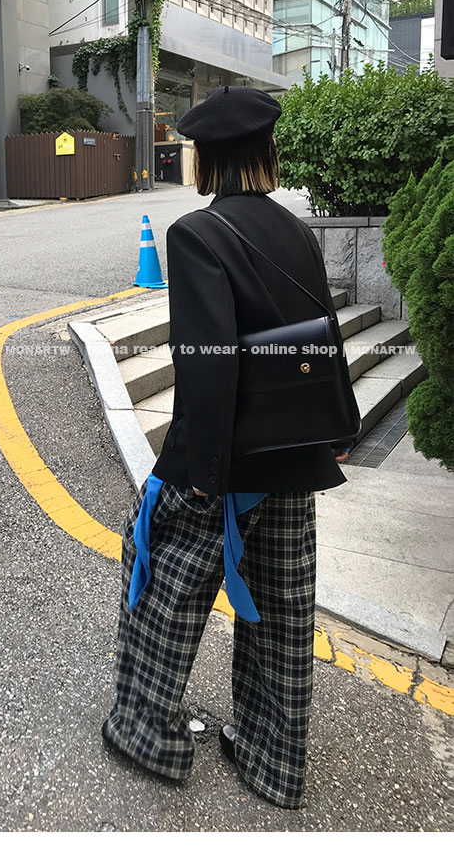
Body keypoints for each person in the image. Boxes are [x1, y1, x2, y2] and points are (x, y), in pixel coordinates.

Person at [102, 86, 354, 810]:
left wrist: (202, 477)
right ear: (267, 151)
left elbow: (207, 366)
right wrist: (338, 430)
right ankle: (274, 763)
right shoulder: (297, 230)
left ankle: (150, 737)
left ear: (206, 158)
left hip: (219, 463)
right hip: (294, 456)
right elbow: (324, 337)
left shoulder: (196, 235)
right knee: (280, 614)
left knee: (161, 592)